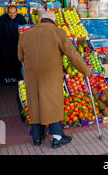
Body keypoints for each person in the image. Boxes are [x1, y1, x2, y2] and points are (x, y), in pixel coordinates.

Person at [18, 11, 91, 149]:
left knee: (35, 103)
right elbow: (73, 55)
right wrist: (85, 70)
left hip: (31, 76)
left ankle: (37, 138)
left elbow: (20, 56)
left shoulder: (26, 34)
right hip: (50, 75)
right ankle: (57, 138)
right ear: (54, 21)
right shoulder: (58, 32)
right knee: (52, 103)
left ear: (41, 20)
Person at [0, 5, 27, 84]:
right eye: (10, 13)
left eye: (14, 13)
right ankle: (6, 77)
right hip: (5, 42)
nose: (12, 14)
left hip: (17, 43)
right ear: (7, 12)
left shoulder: (20, 18)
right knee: (6, 60)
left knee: (16, 60)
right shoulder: (3, 18)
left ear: (17, 12)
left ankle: (15, 77)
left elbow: (25, 30)